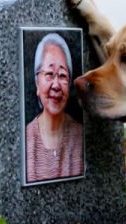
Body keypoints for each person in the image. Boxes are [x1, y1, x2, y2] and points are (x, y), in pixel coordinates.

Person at [26, 33, 83, 183]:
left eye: (63, 75)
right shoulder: (26, 140)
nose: (56, 85)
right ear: (37, 83)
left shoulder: (80, 136)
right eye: (49, 74)